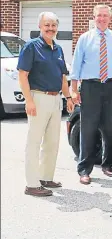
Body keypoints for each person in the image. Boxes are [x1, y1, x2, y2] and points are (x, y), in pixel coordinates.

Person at [70, 4, 112, 185]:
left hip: (111, 86)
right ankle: (84, 170)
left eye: (105, 16)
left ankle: (107, 165)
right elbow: (76, 65)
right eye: (98, 16)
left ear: (110, 18)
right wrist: (73, 89)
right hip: (90, 87)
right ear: (94, 18)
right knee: (88, 129)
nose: (102, 19)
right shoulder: (85, 39)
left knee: (109, 128)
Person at [17, 11, 74, 196]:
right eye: (47, 25)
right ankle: (32, 184)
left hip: (55, 98)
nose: (50, 28)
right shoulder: (31, 47)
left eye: (53, 25)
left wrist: (69, 98)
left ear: (57, 27)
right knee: (34, 142)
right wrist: (29, 100)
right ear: (40, 27)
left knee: (52, 142)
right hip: (38, 97)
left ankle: (45, 177)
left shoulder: (58, 49)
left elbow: (63, 77)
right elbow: (23, 75)